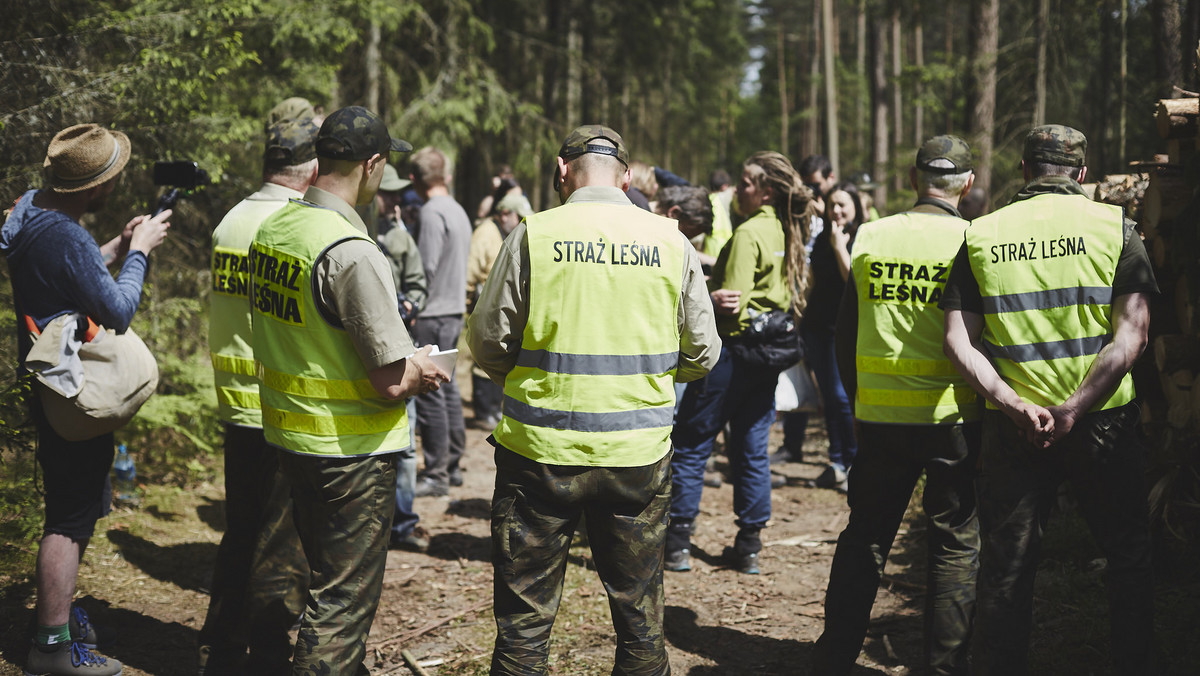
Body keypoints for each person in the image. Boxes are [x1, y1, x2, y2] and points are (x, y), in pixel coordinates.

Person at [467, 124, 719, 675]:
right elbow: (703, 352)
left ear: (562, 170)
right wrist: (650, 378)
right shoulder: (671, 240)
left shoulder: (533, 234)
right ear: (627, 177)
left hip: (539, 454)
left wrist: (525, 375)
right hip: (637, 455)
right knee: (640, 620)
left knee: (524, 625)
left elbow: (486, 343)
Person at [941, 124, 1158, 675]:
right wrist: (1074, 409)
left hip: (1015, 428)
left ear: (1024, 172)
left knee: (1007, 570)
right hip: (1101, 424)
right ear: (1081, 175)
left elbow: (957, 341)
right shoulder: (1115, 226)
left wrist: (1014, 405)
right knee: (1128, 557)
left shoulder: (981, 234)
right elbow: (1132, 335)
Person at [249, 105, 449, 675]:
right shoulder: (352, 251)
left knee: (314, 581)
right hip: (350, 456)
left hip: (288, 439)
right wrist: (425, 370)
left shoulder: (276, 228)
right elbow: (390, 381)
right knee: (339, 603)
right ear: (374, 164)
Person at [3, 123, 171, 676]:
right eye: (112, 177)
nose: (116, 185)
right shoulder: (67, 235)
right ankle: (50, 648)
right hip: (70, 387)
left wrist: (118, 246)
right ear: (92, 186)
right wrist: (140, 254)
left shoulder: (31, 212)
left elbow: (64, 273)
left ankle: (56, 620)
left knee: (73, 505)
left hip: (50, 382)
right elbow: (118, 311)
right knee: (69, 518)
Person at [812, 136, 982, 676]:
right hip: (955, 418)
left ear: (914, 180)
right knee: (954, 543)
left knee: (865, 535)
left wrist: (859, 399)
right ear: (969, 185)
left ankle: (834, 658)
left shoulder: (871, 236)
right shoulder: (977, 241)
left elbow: (846, 334)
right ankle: (943, 666)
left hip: (881, 419)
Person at [199, 116, 318, 675]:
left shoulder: (232, 219)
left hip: (235, 399)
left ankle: (220, 643)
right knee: (281, 540)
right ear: (311, 169)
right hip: (277, 399)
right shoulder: (290, 224)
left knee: (240, 528)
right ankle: (269, 652)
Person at [666, 151, 812, 575]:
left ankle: (676, 544)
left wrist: (704, 294)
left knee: (693, 442)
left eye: (747, 183)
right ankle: (749, 545)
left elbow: (732, 304)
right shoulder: (786, 231)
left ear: (766, 190)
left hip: (733, 352)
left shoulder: (749, 234)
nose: (738, 190)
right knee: (752, 447)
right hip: (767, 357)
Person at [409, 146, 472, 498]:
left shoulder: (432, 213)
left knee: (431, 393)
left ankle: (435, 475)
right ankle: (452, 465)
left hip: (432, 313)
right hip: (452, 312)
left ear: (415, 179)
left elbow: (426, 268)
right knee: (447, 390)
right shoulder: (457, 210)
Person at [375, 162, 431, 553]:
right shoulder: (350, 233)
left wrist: (409, 304)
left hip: (402, 345)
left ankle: (403, 522)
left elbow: (418, 284)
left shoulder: (400, 238)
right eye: (387, 192)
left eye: (397, 194)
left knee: (407, 444)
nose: (393, 200)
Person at [802, 181, 864, 492]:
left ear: (856, 206)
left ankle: (854, 462)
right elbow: (812, 280)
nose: (836, 210)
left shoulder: (863, 236)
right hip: (817, 328)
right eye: (832, 205)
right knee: (829, 399)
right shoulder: (823, 238)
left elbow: (853, 280)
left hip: (846, 330)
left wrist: (841, 246)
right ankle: (837, 462)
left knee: (843, 399)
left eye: (843, 204)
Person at [466, 192, 531, 429]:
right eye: (519, 216)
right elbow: (471, 268)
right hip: (484, 301)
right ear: (505, 214)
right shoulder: (485, 232)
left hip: (502, 302)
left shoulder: (509, 233)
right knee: (482, 359)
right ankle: (483, 411)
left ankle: (494, 408)